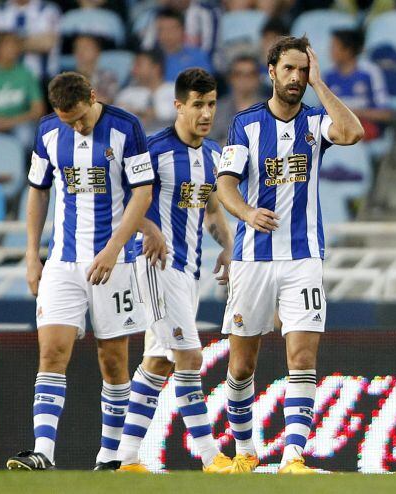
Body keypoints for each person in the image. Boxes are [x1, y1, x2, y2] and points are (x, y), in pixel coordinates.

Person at [216, 35, 363, 474]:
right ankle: (244, 451)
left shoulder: (316, 123)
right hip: (253, 258)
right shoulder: (246, 124)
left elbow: (353, 132)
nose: (297, 78)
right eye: (290, 70)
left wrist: (321, 84)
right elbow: (225, 184)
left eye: (303, 70)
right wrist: (247, 213)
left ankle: (294, 456)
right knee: (242, 366)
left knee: (302, 358)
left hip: (304, 258)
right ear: (272, 73)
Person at [6, 72, 153, 471]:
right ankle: (44, 453)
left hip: (115, 262)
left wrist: (113, 248)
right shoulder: (49, 131)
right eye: (67, 119)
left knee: (114, 361)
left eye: (81, 118)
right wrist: (32, 255)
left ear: (93, 96)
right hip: (63, 262)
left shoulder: (126, 127)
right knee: (52, 352)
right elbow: (38, 190)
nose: (76, 126)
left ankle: (109, 456)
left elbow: (143, 192)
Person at [115, 68, 236, 474]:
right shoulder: (154, 151)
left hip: (189, 268)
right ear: (178, 106)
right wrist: (148, 227)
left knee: (159, 362)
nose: (205, 113)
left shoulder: (216, 157)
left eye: (211, 104)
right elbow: (124, 202)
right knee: (189, 355)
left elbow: (213, 211)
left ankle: (125, 456)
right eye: (197, 105)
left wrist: (230, 248)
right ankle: (210, 457)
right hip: (154, 263)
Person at [324, 29, 394, 143]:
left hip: (365, 127)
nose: (330, 51)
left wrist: (352, 113)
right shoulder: (328, 76)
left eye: (334, 47)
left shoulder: (370, 73)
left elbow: (386, 114)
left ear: (348, 51)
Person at [0, 31, 44, 151]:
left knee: (25, 136)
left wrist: (10, 122)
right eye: (8, 46)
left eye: (15, 46)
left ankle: (20, 168)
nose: (13, 49)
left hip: (19, 123)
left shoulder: (26, 74)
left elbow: (38, 110)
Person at [0, 0, 61, 81]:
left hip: (41, 78)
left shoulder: (48, 10)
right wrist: (34, 42)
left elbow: (48, 43)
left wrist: (6, 44)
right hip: (2, 79)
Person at [114, 50, 176, 135]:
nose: (133, 69)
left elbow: (176, 113)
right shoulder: (127, 93)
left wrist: (140, 111)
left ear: (156, 68)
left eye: (139, 64)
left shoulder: (174, 90)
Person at [212, 55, 264, 143]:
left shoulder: (272, 110)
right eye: (238, 74)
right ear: (230, 78)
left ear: (258, 78)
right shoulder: (216, 110)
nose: (244, 79)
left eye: (250, 74)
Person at [154, 8, 213, 82]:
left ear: (182, 30)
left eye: (171, 29)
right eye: (161, 29)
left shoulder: (198, 57)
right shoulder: (151, 59)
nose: (166, 34)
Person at [72, 35, 119, 104]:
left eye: (85, 48)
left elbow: (105, 102)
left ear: (97, 51)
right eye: (77, 48)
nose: (80, 52)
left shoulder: (108, 76)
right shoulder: (67, 76)